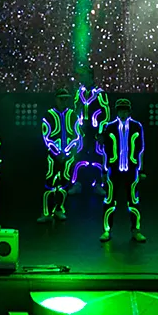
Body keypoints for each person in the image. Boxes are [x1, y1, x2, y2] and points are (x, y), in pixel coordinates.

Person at [98, 98, 146, 243]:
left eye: (125, 110)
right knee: (109, 200)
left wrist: (141, 169)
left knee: (134, 201)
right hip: (114, 170)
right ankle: (107, 230)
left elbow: (140, 149)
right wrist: (104, 171)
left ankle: (136, 230)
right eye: (120, 110)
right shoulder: (110, 127)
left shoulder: (136, 126)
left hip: (131, 169)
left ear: (129, 111)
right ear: (117, 111)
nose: (123, 113)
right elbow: (105, 151)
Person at [38, 88, 83, 223]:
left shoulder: (72, 115)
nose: (63, 101)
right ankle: (47, 212)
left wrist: (68, 151)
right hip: (53, 156)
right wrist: (57, 152)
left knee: (64, 183)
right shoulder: (49, 115)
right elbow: (46, 136)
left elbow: (77, 135)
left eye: (65, 99)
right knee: (50, 183)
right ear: (56, 99)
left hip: (68, 156)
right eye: (61, 98)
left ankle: (59, 209)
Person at [69, 85, 110, 195]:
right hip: (82, 131)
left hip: (95, 132)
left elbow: (105, 113)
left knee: (97, 157)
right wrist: (76, 128)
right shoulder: (79, 92)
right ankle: (77, 183)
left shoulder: (100, 93)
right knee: (78, 156)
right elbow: (75, 110)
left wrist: (101, 132)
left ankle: (98, 184)